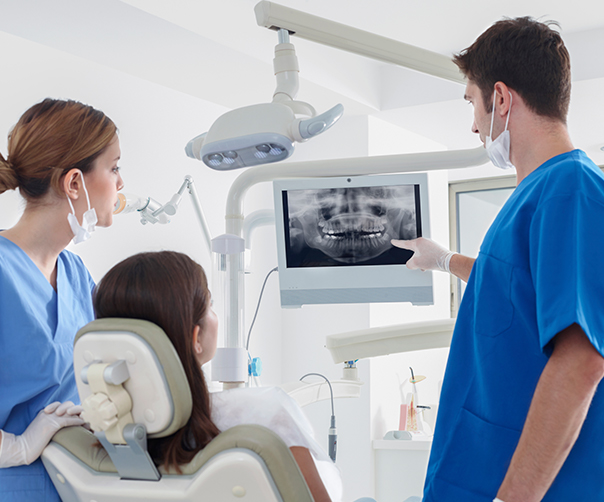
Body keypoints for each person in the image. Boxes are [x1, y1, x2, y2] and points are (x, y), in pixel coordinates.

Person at [393, 17, 604, 502]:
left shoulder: (570, 189)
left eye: (472, 100)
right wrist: (443, 260)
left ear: (502, 99)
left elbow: (580, 359)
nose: (472, 123)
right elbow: (514, 289)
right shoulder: (538, 194)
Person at [92, 250, 342, 502]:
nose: (215, 314)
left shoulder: (99, 437)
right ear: (196, 337)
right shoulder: (266, 414)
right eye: (210, 305)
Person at [0, 99, 124, 501]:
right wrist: (17, 447)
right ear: (74, 183)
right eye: (114, 167)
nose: (121, 184)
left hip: (79, 483)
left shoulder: (75, 273)